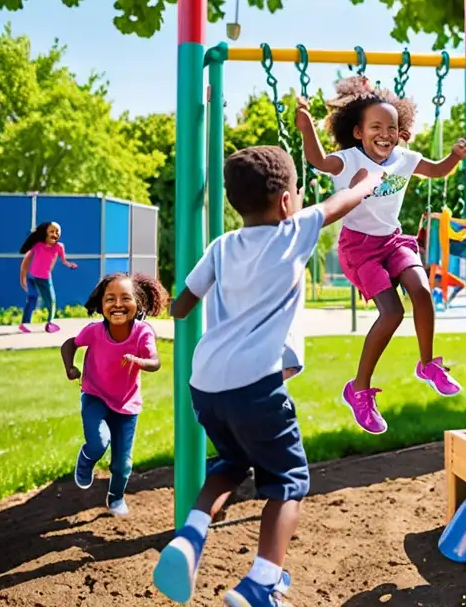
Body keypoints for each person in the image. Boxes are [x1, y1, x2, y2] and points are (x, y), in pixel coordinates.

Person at [152, 145, 381, 607]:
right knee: (288, 480)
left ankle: (190, 536)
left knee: (232, 463)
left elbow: (181, 305)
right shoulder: (292, 232)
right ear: (285, 202)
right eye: (296, 192)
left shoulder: (221, 247)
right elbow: (341, 204)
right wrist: (368, 182)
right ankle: (261, 581)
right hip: (256, 384)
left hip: (207, 385)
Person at [295, 75, 466, 436]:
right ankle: (359, 389)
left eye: (392, 127)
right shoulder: (348, 160)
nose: (385, 134)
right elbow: (316, 159)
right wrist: (306, 125)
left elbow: (436, 170)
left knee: (422, 291)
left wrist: (454, 155)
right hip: (359, 248)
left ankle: (427, 365)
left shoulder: (404, 158)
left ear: (400, 129)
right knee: (392, 312)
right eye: (376, 126)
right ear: (358, 132)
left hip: (392, 241)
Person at [61, 272, 168, 516]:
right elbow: (70, 344)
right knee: (99, 442)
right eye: (110, 299)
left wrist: (139, 360)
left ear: (138, 303)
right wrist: (70, 367)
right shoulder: (94, 331)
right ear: (101, 305)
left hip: (127, 404)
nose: (117, 305)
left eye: (125, 298)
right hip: (95, 395)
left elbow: (155, 361)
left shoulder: (143, 333)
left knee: (123, 464)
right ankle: (87, 458)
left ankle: (116, 497)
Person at [17, 221, 78, 333]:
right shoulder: (37, 245)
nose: (55, 234)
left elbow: (63, 260)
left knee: (48, 300)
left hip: (43, 277)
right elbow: (26, 260)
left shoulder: (59, 247)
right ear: (45, 233)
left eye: (57, 232)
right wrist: (23, 277)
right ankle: (27, 323)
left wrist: (70, 265)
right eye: (52, 231)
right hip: (36, 278)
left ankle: (49, 322)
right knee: (41, 299)